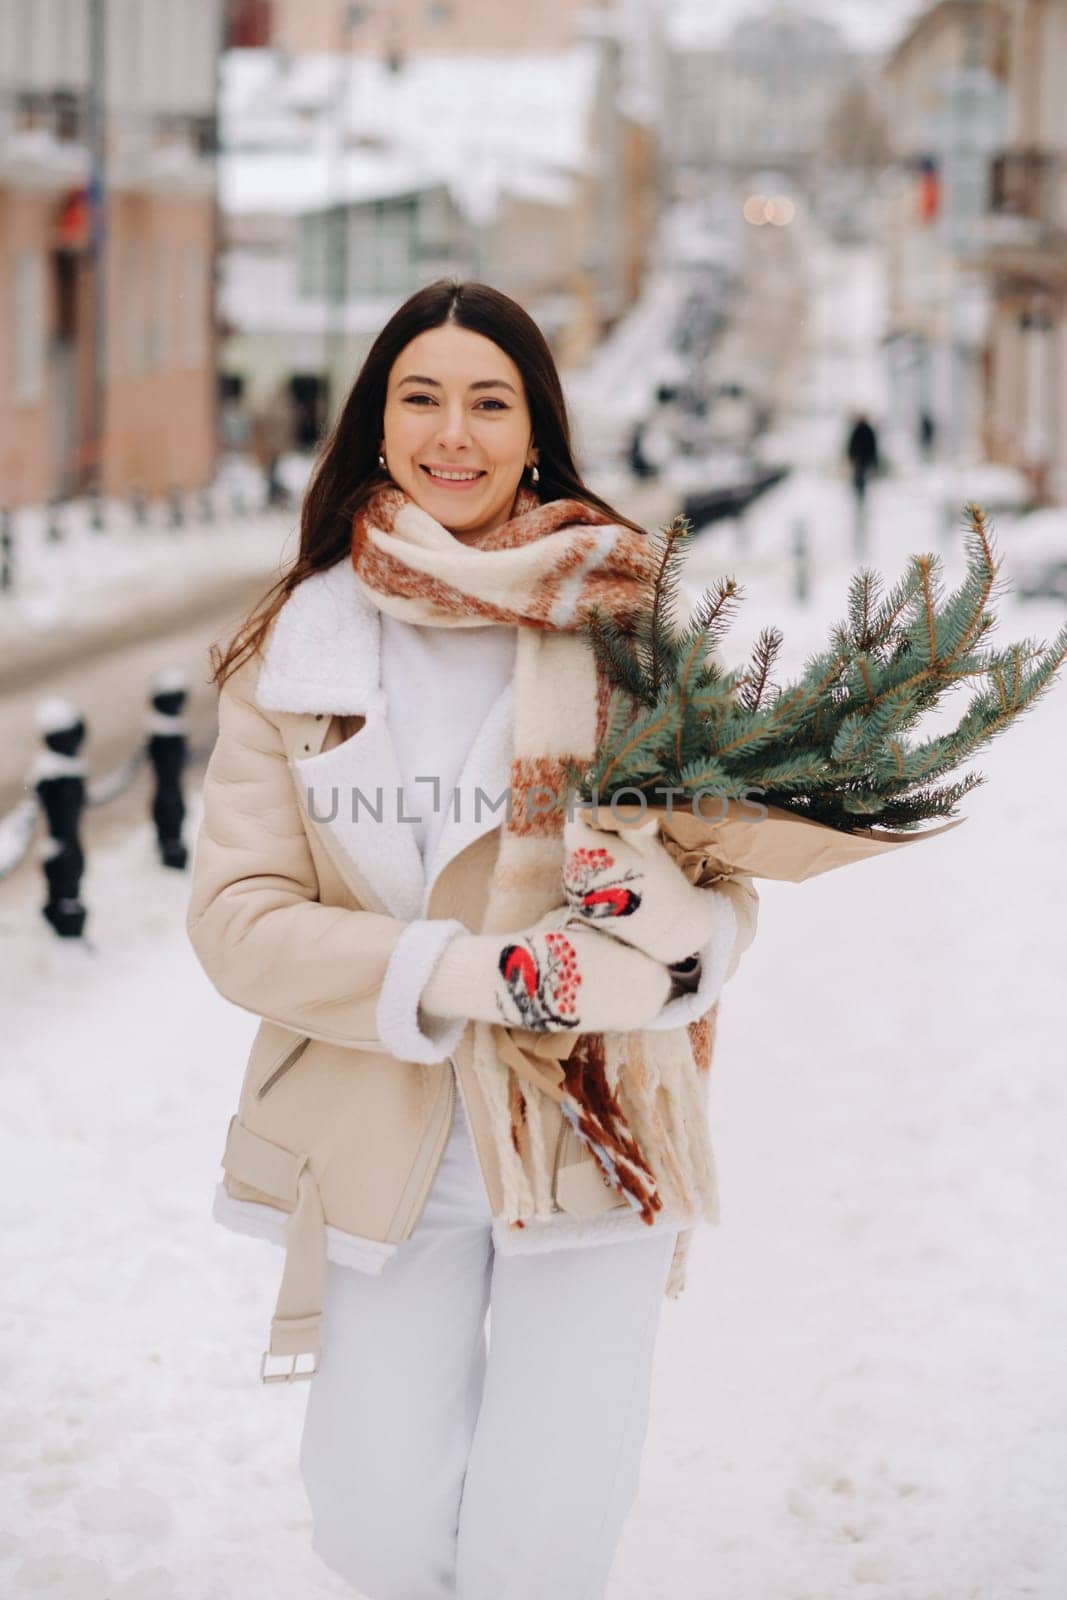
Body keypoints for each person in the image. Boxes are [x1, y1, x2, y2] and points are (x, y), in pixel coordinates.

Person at [186, 278, 759, 1600]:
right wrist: (460, 975)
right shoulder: (294, 649)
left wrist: (647, 925)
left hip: (591, 1118)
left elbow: (721, 893)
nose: (454, 433)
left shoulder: (629, 627)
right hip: (385, 1128)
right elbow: (236, 921)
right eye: (421, 398)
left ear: (534, 430)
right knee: (374, 1520)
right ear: (376, 428)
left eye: (487, 402)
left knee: (542, 1540)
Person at [845, 410, 880, 502]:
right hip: (861, 459)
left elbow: (872, 447)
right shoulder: (862, 430)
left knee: (860, 477)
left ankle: (860, 494)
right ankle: (859, 493)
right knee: (859, 477)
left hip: (862, 459)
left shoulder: (863, 430)